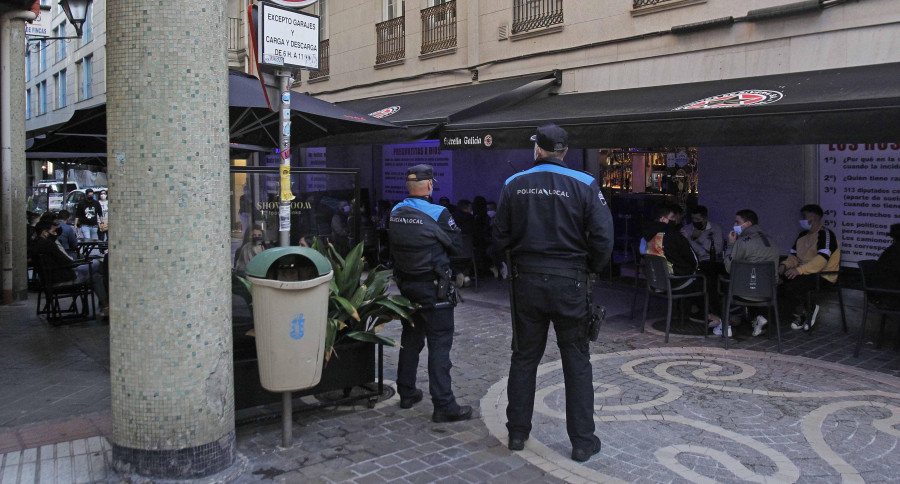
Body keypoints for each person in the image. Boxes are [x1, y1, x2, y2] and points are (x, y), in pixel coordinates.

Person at [493, 124, 613, 462]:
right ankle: (582, 442)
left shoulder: (513, 184)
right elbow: (604, 238)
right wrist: (592, 269)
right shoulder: (586, 184)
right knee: (576, 362)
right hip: (571, 282)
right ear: (566, 152)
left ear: (537, 150)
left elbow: (498, 236)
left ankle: (517, 432)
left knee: (524, 356)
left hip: (527, 281)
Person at [388, 164, 472, 424]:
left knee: (411, 338)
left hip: (406, 286)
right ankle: (444, 404)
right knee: (439, 344)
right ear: (429, 185)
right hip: (434, 288)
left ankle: (406, 391)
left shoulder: (395, 212)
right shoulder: (439, 213)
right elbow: (458, 247)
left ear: (407, 186)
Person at [643, 202, 717, 330]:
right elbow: (694, 261)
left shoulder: (646, 236)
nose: (676, 221)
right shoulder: (674, 236)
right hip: (675, 283)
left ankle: (700, 314)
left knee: (699, 279)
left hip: (656, 282)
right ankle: (715, 317)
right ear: (663, 219)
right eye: (673, 218)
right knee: (709, 280)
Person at [779, 204, 841, 332]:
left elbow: (822, 260)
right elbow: (793, 257)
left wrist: (798, 270)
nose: (801, 220)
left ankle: (809, 309)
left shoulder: (826, 234)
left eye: (804, 217)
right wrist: (784, 265)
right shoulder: (802, 236)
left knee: (793, 286)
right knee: (779, 284)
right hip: (804, 273)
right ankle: (802, 313)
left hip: (823, 275)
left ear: (814, 219)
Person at [33, 218, 108, 317]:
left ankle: (105, 305)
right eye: (54, 231)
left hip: (49, 279)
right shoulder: (49, 245)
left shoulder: (36, 244)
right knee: (97, 265)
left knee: (96, 276)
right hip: (63, 278)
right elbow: (67, 261)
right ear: (44, 233)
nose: (56, 234)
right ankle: (106, 304)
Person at [722, 209, 781, 336]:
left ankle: (724, 324)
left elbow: (729, 268)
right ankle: (757, 317)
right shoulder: (772, 241)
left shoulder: (742, 242)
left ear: (748, 223)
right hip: (768, 291)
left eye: (737, 222)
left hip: (744, 292)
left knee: (720, 285)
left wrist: (731, 245)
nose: (734, 225)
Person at [681, 205, 726, 318]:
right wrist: (692, 241)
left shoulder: (715, 228)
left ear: (705, 218)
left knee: (710, 277)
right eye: (693, 219)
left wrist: (695, 239)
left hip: (711, 261)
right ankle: (708, 310)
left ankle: (712, 312)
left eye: (698, 219)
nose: (695, 222)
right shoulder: (687, 229)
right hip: (693, 262)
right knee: (703, 278)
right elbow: (685, 248)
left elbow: (716, 249)